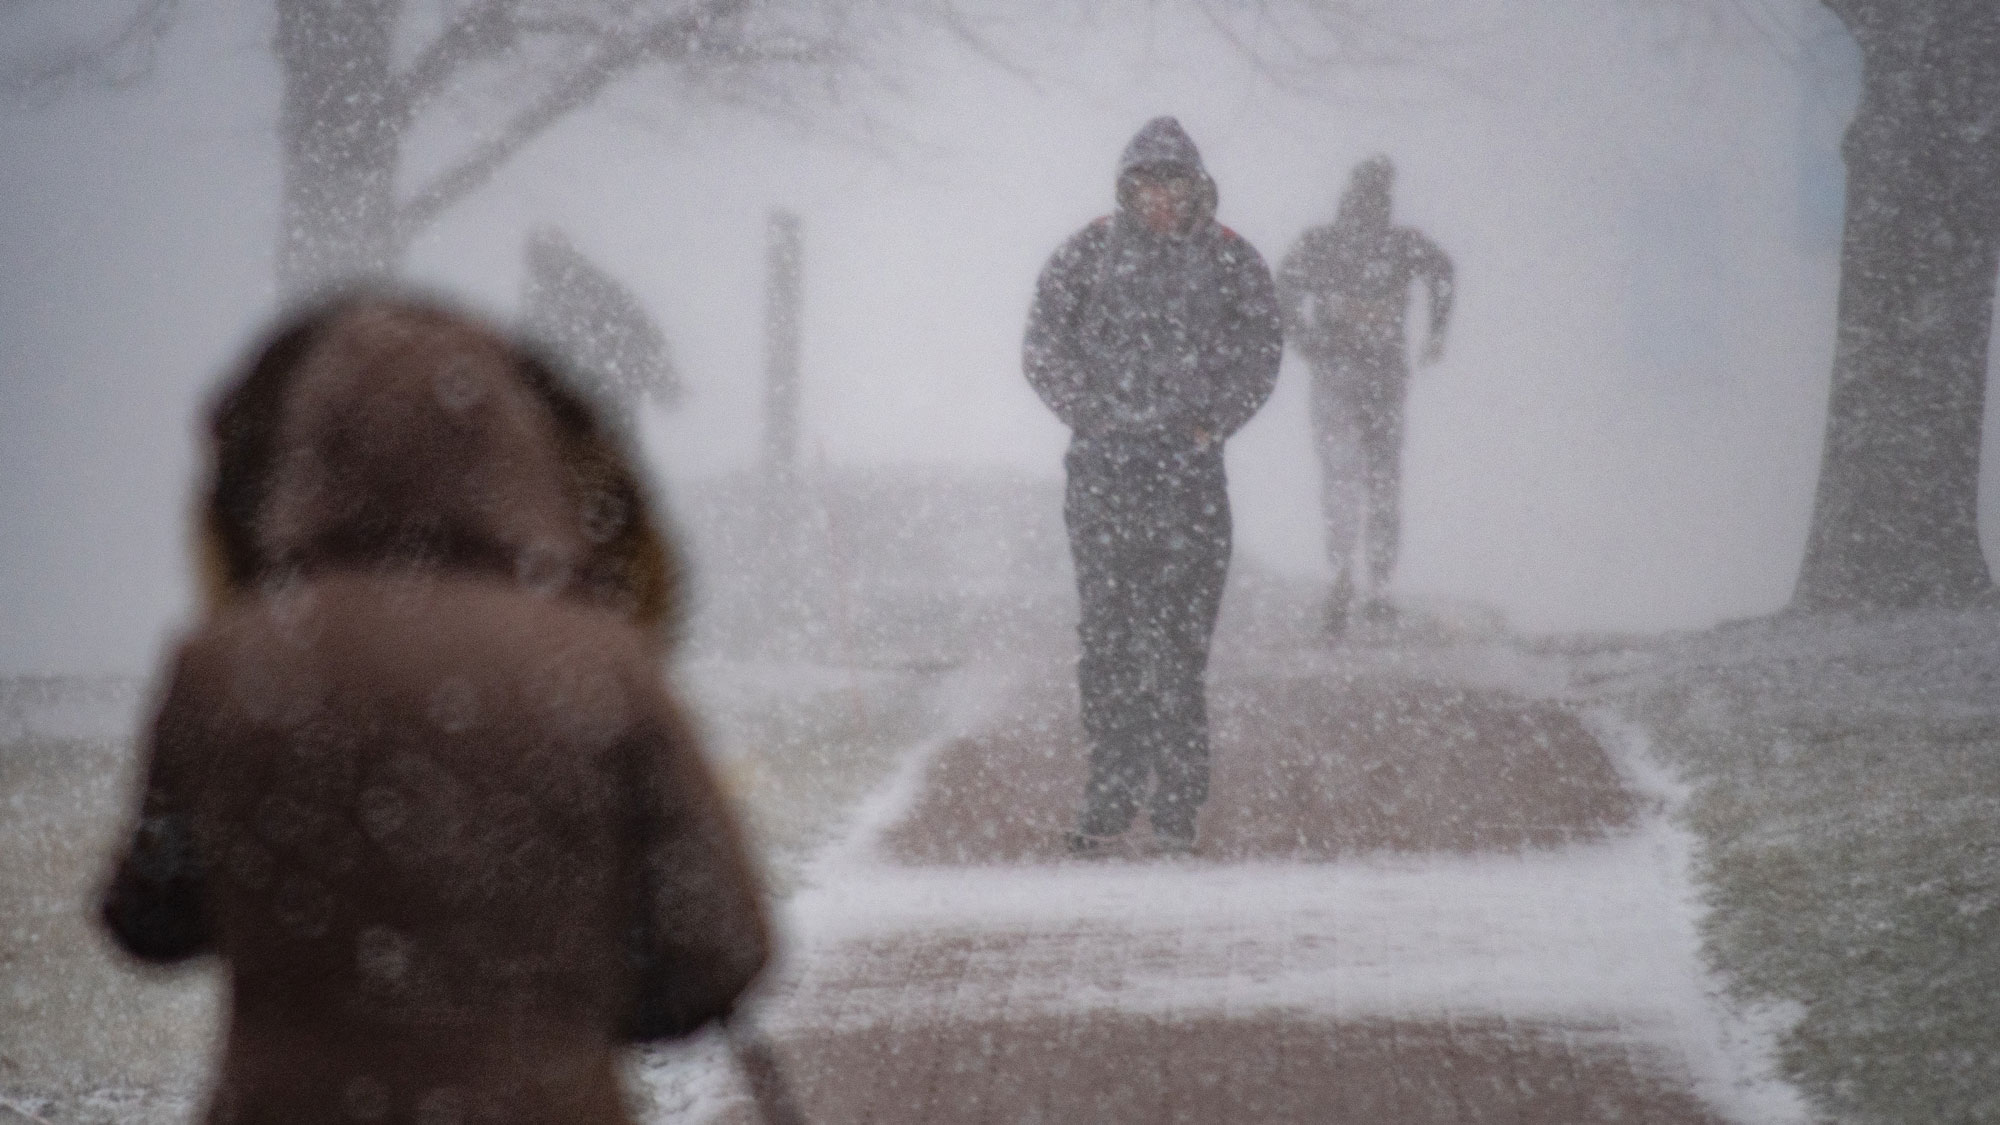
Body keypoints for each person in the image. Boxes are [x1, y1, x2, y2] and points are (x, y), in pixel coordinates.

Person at [99, 295, 770, 1125]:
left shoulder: (224, 665)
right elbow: (718, 955)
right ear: (520, 459)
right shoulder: (602, 662)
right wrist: (567, 998)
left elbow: (149, 921)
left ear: (309, 456)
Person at [1024, 116, 1282, 857]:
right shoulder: (1087, 255)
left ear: (1195, 186)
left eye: (1174, 184)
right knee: (1106, 637)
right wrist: (1090, 412)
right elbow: (1041, 343)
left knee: (1179, 643)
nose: (1161, 198)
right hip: (1103, 478)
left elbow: (1262, 351)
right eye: (1147, 185)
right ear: (1127, 189)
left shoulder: (1232, 261)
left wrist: (1213, 420)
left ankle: (1176, 803)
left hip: (1192, 480)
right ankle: (1109, 792)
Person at [1278, 155, 1453, 635]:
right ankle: (1373, 586)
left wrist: (1307, 339)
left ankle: (1347, 577)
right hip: (1378, 374)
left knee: (1345, 477)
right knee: (1380, 481)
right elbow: (1443, 272)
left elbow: (1284, 290)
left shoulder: (1324, 243)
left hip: (1343, 370)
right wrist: (1434, 332)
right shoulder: (1400, 245)